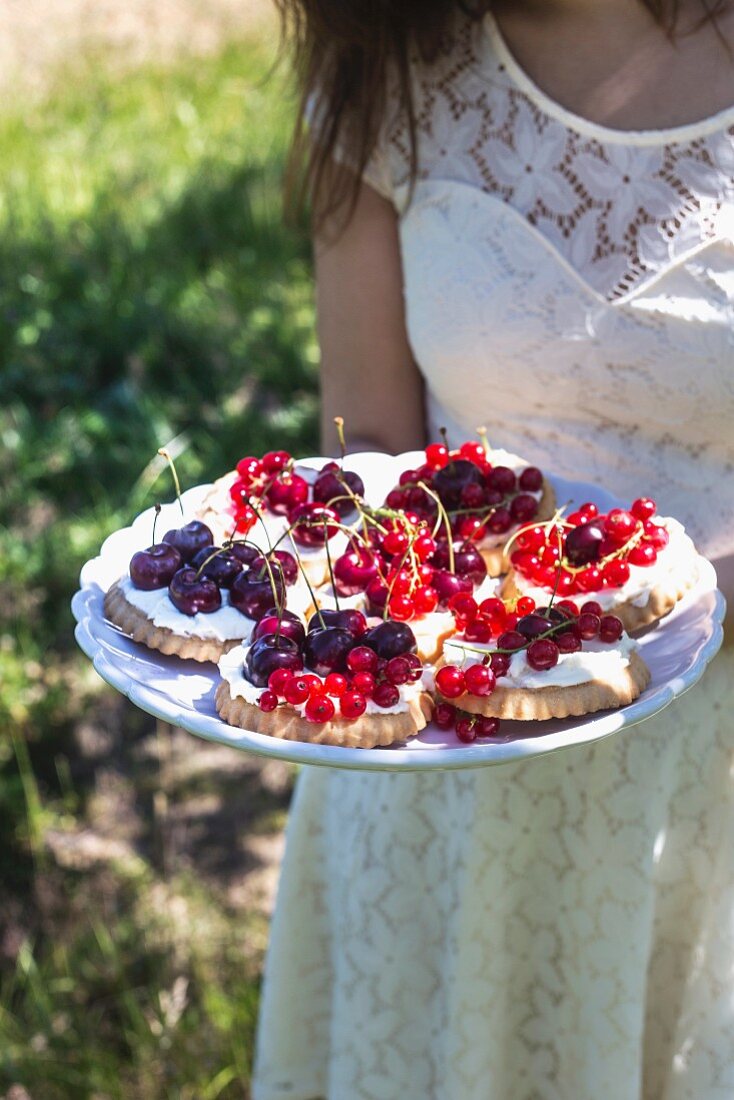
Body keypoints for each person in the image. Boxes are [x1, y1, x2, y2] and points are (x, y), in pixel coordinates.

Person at [252, 2, 734, 1097]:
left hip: (700, 797)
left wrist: (658, 608)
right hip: (441, 784)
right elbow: (368, 441)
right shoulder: (388, 68)